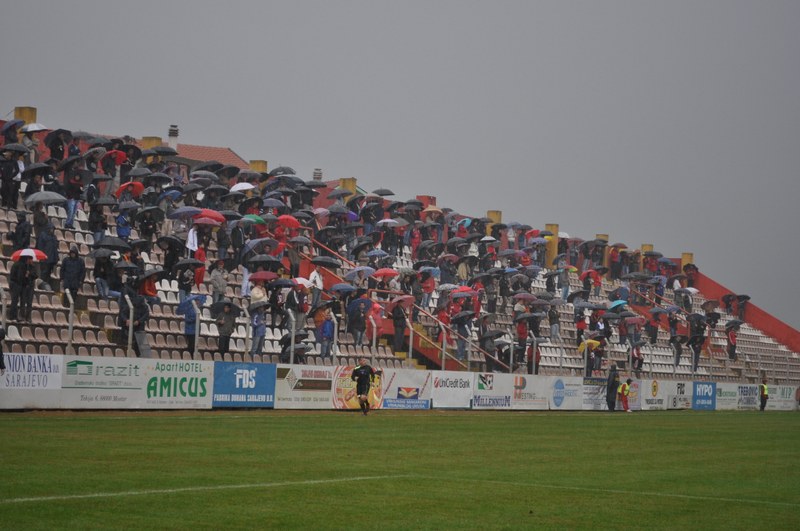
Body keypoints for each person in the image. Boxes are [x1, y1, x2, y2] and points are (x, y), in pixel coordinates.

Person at [9, 256, 37, 321]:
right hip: (17, 284)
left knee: (15, 300)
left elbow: (35, 275)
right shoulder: (21, 265)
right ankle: (13, 316)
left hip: (15, 283)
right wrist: (26, 278)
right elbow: (20, 277)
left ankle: (14, 316)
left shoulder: (17, 264)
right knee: (15, 300)